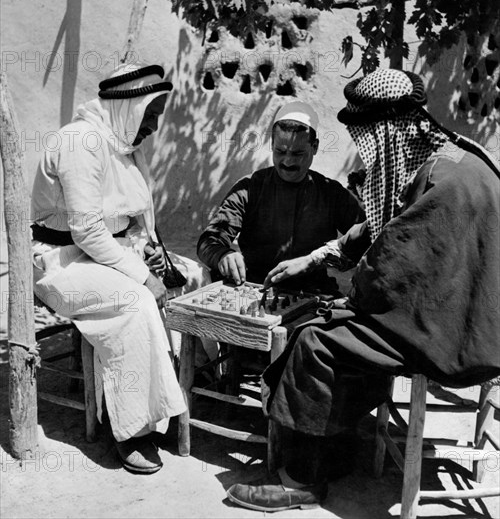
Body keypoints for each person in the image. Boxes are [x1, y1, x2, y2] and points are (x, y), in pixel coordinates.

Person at [226, 68, 500, 511]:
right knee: (335, 324)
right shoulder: (448, 157)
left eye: (367, 135)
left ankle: (302, 478)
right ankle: (338, 447)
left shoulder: (440, 181)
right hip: (467, 316)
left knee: (315, 339)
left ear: (386, 130)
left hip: (458, 334)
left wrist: (348, 300)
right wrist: (316, 258)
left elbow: (393, 270)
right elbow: (381, 227)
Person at [31, 63, 187, 475]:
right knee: (135, 302)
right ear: (129, 108)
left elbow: (131, 217)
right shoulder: (80, 141)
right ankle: (131, 430)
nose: (153, 126)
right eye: (150, 115)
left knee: (188, 277)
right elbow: (86, 232)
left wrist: (147, 251)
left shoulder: (123, 143)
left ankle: (161, 410)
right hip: (58, 262)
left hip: (104, 253)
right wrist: (142, 275)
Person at [197, 101, 364, 295]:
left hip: (312, 290)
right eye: (280, 152)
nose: (288, 161)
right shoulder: (250, 187)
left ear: (315, 147)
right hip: (256, 287)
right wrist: (222, 255)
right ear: (271, 145)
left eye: (298, 153)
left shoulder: (331, 193)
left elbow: (366, 238)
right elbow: (208, 241)